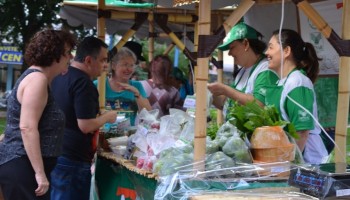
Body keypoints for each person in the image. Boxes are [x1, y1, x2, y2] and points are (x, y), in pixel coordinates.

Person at [0, 29, 76, 200]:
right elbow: (27, 127)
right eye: (67, 53)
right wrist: (40, 174)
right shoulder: (37, 80)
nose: (70, 57)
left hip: (23, 166)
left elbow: (15, 125)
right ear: (53, 53)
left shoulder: (38, 78)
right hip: (22, 167)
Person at [50, 36, 118, 200]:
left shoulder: (60, 76)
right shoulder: (84, 83)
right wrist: (107, 117)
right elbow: (85, 126)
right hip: (72, 159)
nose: (105, 65)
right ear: (88, 60)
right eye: (103, 60)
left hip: (55, 152)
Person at [264, 29, 328, 164]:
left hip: (306, 161)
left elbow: (302, 132)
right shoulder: (283, 81)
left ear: (286, 51)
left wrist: (289, 165)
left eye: (270, 47)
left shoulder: (298, 82)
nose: (266, 53)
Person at [207, 22, 279, 119]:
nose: (229, 53)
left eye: (232, 48)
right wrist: (210, 93)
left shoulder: (265, 69)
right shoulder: (242, 71)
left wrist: (225, 89)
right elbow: (225, 103)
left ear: (245, 44)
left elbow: (259, 105)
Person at [94, 47, 151, 126]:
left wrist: (137, 94)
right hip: (103, 135)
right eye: (125, 65)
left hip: (127, 136)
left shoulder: (137, 86)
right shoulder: (99, 85)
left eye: (132, 65)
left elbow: (149, 115)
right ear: (113, 65)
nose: (129, 69)